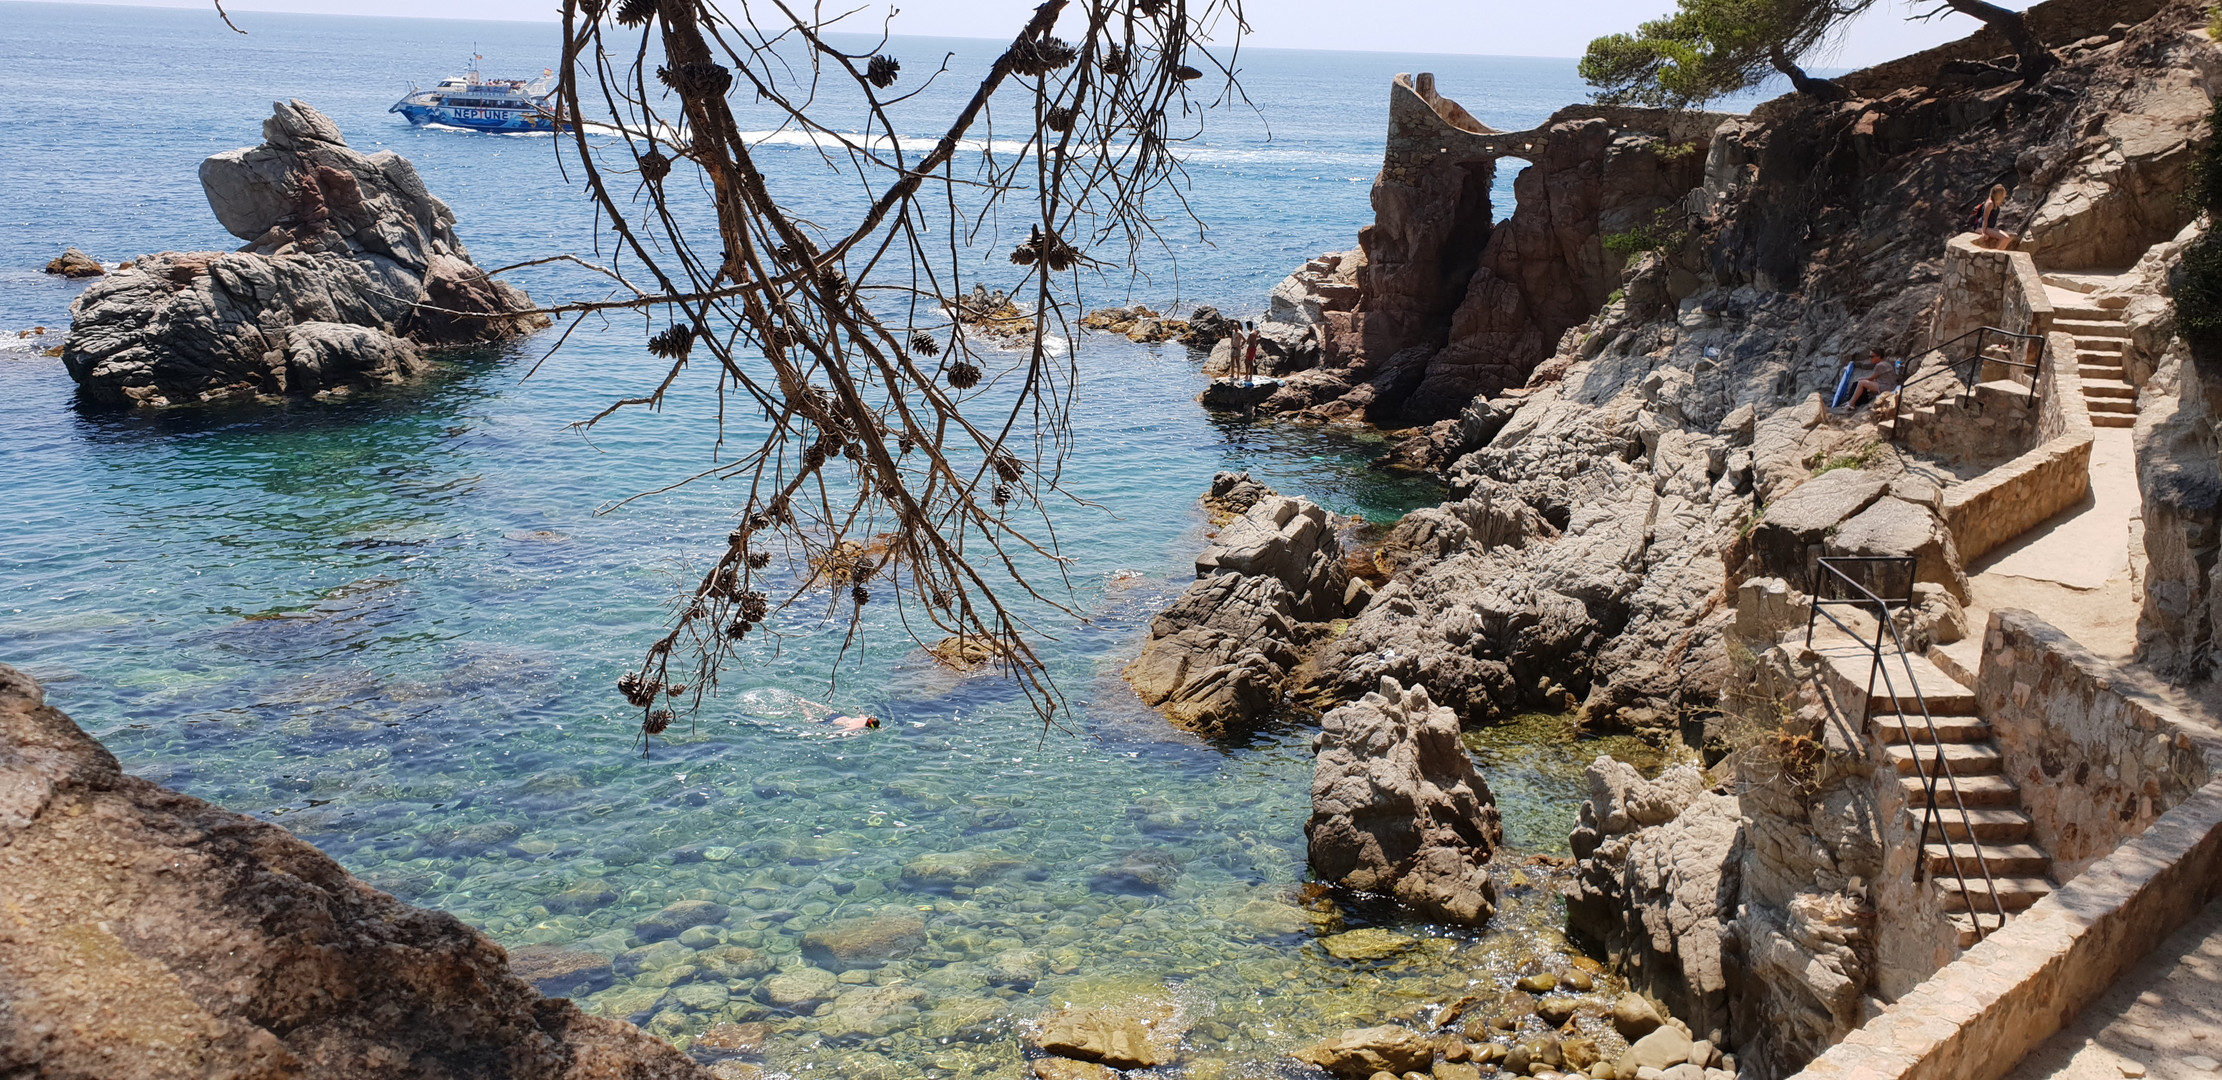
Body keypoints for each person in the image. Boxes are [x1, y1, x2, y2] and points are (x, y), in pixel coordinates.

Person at [1974, 184, 2011, 249]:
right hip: (1983, 227)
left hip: (1990, 227)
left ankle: (1999, 253)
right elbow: (1985, 218)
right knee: (2004, 238)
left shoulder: (1995, 202)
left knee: (2008, 238)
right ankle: (1995, 253)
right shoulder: (1990, 203)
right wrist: (1983, 232)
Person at [1238, 321, 1261, 386]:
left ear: (1248, 326)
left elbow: (1247, 341)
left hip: (1250, 348)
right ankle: (1248, 376)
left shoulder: (1251, 334)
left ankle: (1249, 376)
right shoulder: (1255, 332)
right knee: (1248, 361)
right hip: (1253, 348)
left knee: (1249, 362)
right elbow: (1258, 336)